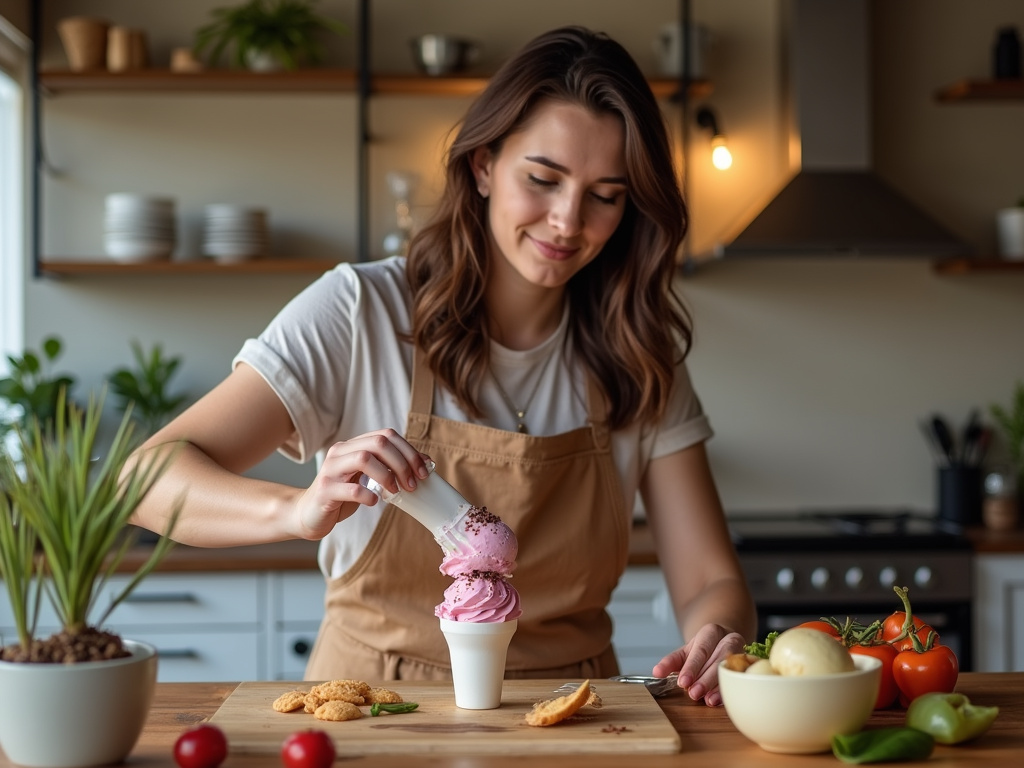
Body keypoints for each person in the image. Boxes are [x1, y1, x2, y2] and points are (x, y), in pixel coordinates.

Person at [130, 25, 756, 707]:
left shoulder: (639, 350)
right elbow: (144, 477)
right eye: (543, 180)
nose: (567, 221)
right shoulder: (359, 311)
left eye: (605, 195)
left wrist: (719, 632)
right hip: (372, 706)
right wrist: (297, 509)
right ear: (484, 165)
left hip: (571, 713)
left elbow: (707, 579)